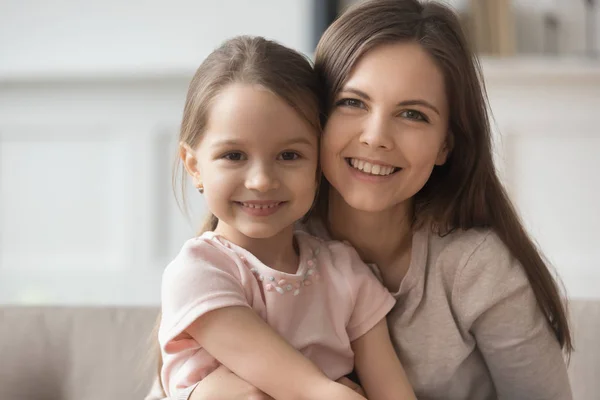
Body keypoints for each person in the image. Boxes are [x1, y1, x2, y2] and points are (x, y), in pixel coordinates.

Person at [148, 0, 573, 399]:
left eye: (413, 114)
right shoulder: (257, 240)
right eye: (352, 102)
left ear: (446, 145)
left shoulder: (473, 270)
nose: (375, 137)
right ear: (316, 119)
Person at [153, 35, 416, 400]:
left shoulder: (345, 273)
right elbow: (309, 391)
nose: (261, 181)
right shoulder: (198, 273)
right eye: (234, 155)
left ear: (318, 163)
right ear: (194, 166)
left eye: (289, 156)